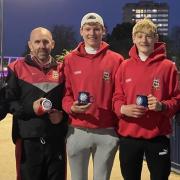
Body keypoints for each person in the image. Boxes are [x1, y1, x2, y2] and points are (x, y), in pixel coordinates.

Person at [113, 18, 180, 180]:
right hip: (129, 136)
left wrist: (162, 106)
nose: (144, 40)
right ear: (134, 38)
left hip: (157, 137)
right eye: (140, 35)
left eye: (149, 36)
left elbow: (177, 99)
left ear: (156, 39)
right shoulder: (124, 66)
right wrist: (122, 108)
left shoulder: (168, 66)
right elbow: (116, 97)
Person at [62, 12, 124, 180]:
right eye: (88, 29)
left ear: (103, 30)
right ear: (81, 31)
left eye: (96, 29)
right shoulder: (69, 60)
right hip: (77, 130)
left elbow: (120, 96)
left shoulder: (116, 60)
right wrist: (70, 107)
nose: (92, 33)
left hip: (107, 132)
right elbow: (65, 94)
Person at [5, 27, 67, 180]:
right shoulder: (16, 68)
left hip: (56, 139)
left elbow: (68, 100)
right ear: (30, 45)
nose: (41, 46)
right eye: (37, 42)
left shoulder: (63, 69)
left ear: (52, 44)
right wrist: (30, 108)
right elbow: (9, 101)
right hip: (27, 139)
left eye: (45, 42)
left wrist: (62, 116)